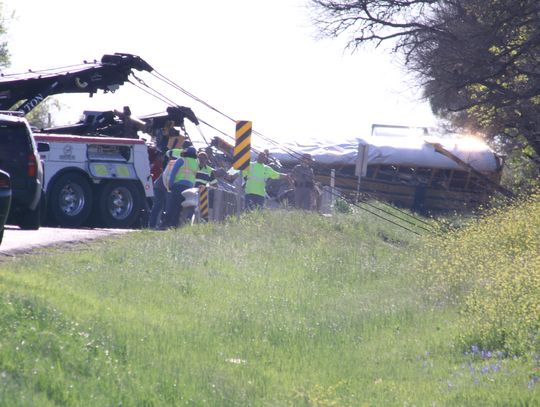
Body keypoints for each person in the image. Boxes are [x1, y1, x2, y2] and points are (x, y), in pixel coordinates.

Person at [163, 146, 199, 228]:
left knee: (172, 206)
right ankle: (175, 225)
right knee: (181, 208)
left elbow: (173, 173)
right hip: (189, 188)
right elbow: (194, 176)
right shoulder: (196, 163)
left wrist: (170, 185)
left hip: (178, 186)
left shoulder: (181, 160)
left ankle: (166, 224)